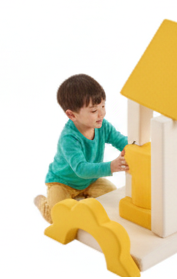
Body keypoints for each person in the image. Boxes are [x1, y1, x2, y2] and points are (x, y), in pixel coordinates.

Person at [34, 74, 131, 224]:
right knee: (57, 217)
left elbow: (120, 140)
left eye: (103, 106)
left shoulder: (102, 125)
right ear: (71, 115)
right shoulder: (69, 138)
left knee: (113, 199)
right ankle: (42, 202)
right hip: (63, 183)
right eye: (93, 110)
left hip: (90, 181)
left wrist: (134, 147)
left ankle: (83, 200)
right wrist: (111, 166)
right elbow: (81, 169)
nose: (102, 113)